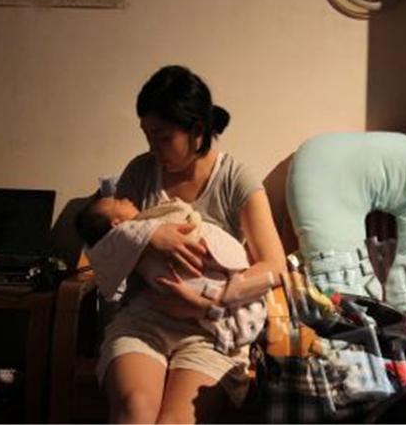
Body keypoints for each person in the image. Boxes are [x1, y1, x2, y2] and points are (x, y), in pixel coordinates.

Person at [93, 65, 287, 423]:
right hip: (145, 319)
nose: (153, 148)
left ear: (197, 130)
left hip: (210, 328)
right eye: (147, 136)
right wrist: (151, 237)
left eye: (163, 137)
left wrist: (213, 299)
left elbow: (274, 267)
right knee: (136, 408)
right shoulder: (140, 172)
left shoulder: (235, 179)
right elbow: (105, 242)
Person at [76, 195, 270, 354]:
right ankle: (212, 311)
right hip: (162, 301)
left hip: (208, 282)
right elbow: (108, 249)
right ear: (117, 224)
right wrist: (155, 231)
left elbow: (273, 266)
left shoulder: (235, 178)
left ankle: (213, 309)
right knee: (176, 285)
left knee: (216, 289)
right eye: (118, 202)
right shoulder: (133, 235)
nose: (126, 198)